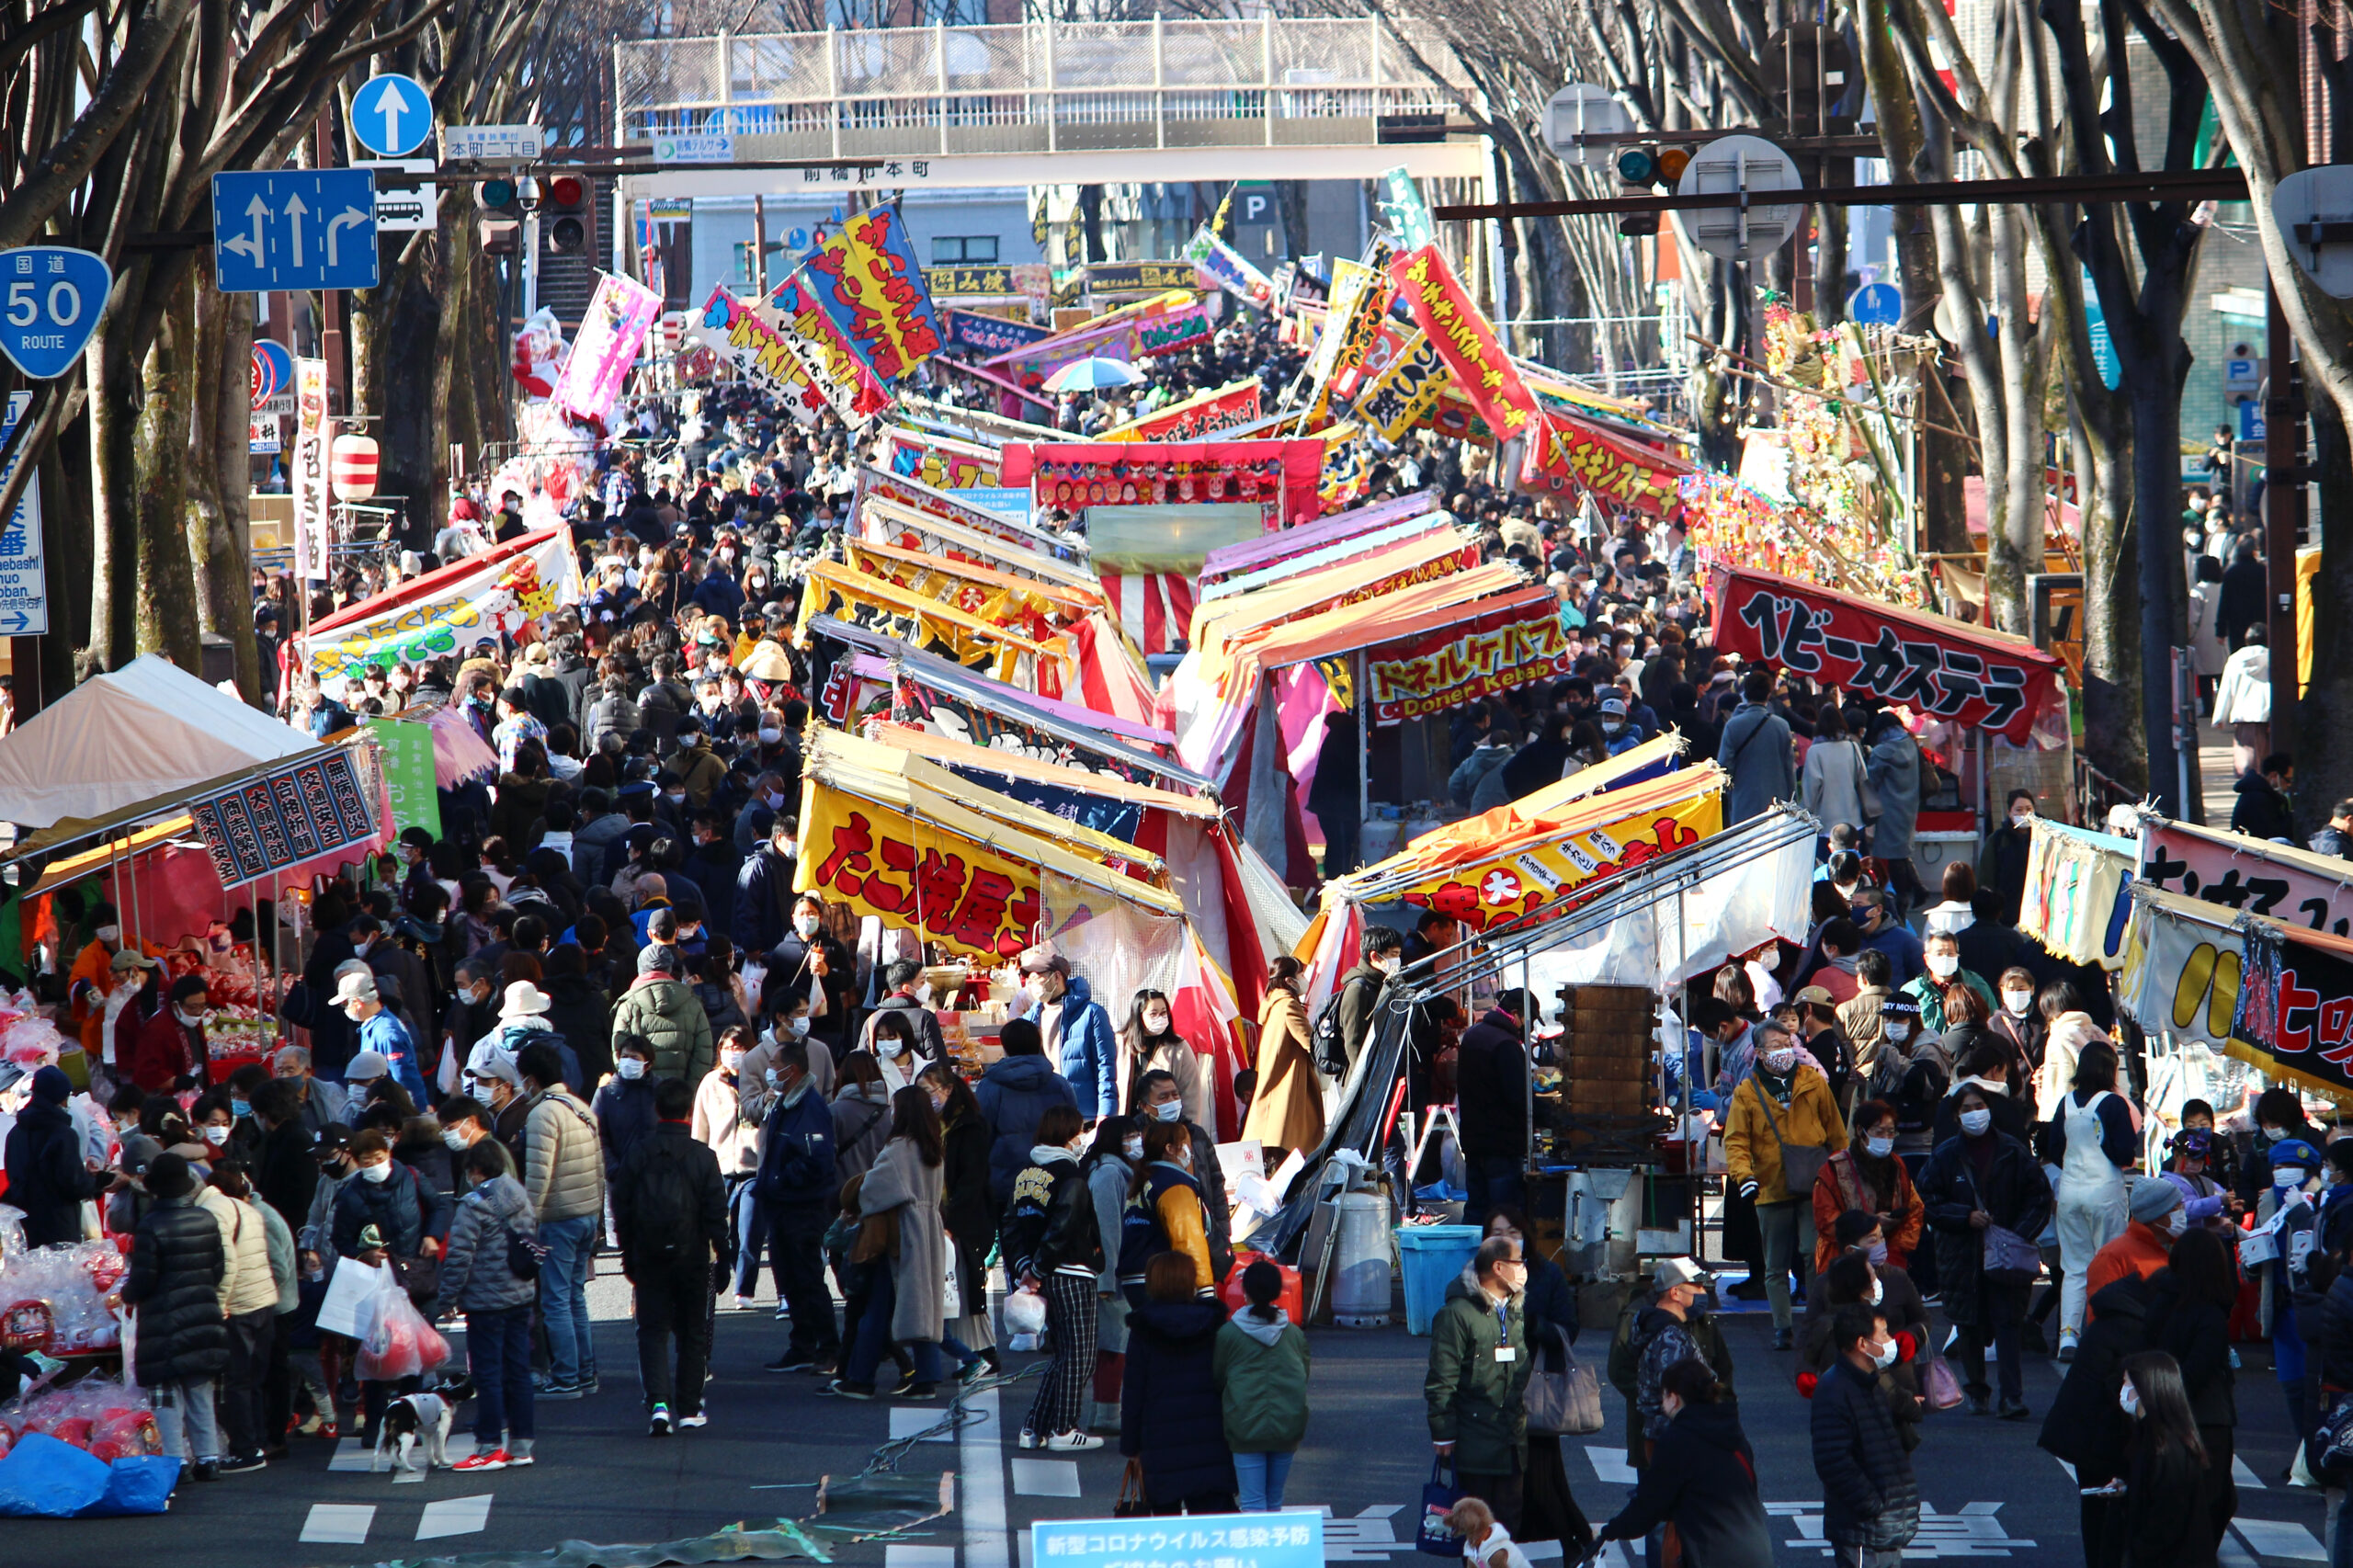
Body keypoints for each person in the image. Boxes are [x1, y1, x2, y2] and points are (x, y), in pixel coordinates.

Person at [1918, 1083, 2053, 1417]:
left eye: (1979, 1105)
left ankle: (2012, 1397)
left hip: (2007, 1252)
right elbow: (1927, 1200)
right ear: (1956, 1115)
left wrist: (2019, 1234)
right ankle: (1977, 1390)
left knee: (2008, 1322)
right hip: (1961, 1254)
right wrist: (1964, 1217)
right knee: (1969, 1324)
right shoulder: (1946, 1155)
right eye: (1966, 1108)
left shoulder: (2011, 1150)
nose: (1974, 1113)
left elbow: (2039, 1195)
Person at [612, 1075, 729, 1436]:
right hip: (692, 1255)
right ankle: (690, 1406)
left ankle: (659, 1404)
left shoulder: (639, 1153)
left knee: (652, 1330)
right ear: (690, 1111)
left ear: (656, 1109)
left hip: (648, 1257)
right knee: (693, 1331)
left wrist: (627, 1252)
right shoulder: (703, 1157)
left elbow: (623, 1206)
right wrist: (722, 1256)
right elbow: (715, 1213)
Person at [1723, 1022, 1845, 1348]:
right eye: (1774, 1045)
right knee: (1774, 1264)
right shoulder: (1747, 1092)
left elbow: (1836, 1133)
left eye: (1786, 1042)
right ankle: (1783, 1327)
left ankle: (1815, 1320)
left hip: (1813, 1182)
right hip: (1769, 1185)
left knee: (1811, 1252)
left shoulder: (1813, 1083)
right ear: (1759, 1053)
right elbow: (1735, 1141)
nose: (1783, 1050)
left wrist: (1843, 1174)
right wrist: (1743, 1175)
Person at [1596, 1357, 1774, 1568]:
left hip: (1712, 1556)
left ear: (1673, 1398)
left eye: (1663, 1396)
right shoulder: (1732, 1433)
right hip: (1757, 1552)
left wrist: (1610, 1531)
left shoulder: (1677, 1441)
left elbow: (1648, 1507)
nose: (1662, 1404)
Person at [833, 1085, 949, 1399]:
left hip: (900, 1233)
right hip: (928, 1228)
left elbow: (873, 1190)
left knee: (877, 1306)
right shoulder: (931, 1146)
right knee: (923, 1307)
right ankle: (926, 1377)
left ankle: (861, 1378)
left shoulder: (899, 1148)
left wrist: (855, 1192)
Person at [120, 1153, 229, 1479]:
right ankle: (208, 1458)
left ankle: (175, 1461)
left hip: (162, 1320)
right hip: (202, 1314)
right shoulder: (207, 1219)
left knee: (165, 1394)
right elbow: (218, 1269)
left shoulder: (150, 1226)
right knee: (199, 1387)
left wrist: (126, 1295)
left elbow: (144, 1279)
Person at [1002, 1104, 1104, 1449]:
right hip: (1071, 1271)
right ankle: (1063, 1428)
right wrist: (1040, 1268)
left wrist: (1025, 1268)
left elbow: (1011, 1225)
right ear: (1067, 1134)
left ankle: (1034, 1427)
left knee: (1062, 1354)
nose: (1082, 1138)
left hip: (1039, 1273)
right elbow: (1066, 1222)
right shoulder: (1070, 1174)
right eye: (1079, 1131)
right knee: (1081, 1354)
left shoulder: (1024, 1173)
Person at [434, 1138, 540, 1471]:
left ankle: (489, 1445)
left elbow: (459, 1256)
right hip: (520, 1295)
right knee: (518, 1371)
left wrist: (448, 1298)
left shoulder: (474, 1204)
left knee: (488, 1374)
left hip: (485, 1302)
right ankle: (521, 1446)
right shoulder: (520, 1194)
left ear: (476, 1170)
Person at [1485, 1209, 1588, 1548]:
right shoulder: (1474, 1278)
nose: (1505, 1238)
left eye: (1512, 1230)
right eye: (1496, 1232)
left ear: (1525, 1235)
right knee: (1497, 1483)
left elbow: (1568, 1329)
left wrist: (1532, 1324)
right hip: (1487, 1396)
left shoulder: (1546, 1275)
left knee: (1542, 1476)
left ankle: (1573, 1539)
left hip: (1534, 1391)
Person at [517, 1040, 605, 1400]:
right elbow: (599, 1168)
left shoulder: (542, 1114)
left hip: (558, 1218)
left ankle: (566, 1376)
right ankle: (584, 1372)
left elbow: (539, 1175)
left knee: (555, 1301)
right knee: (574, 1298)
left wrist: (528, 1221)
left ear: (532, 1079)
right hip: (586, 1214)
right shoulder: (581, 1107)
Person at [2143, 1228, 2240, 1552]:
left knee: (2168, 1513)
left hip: (2157, 1417)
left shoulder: (2159, 1300)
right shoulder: (2210, 1314)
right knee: (2208, 1510)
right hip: (2205, 1421)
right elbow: (2198, 1371)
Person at [1427, 1235, 1532, 1529]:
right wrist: (1442, 1431)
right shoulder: (1457, 1314)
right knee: (1476, 1528)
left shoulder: (1515, 1308)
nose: (1524, 1268)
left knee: (1509, 1523)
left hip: (1512, 1439)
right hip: (1473, 1441)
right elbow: (1441, 1377)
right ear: (1499, 1268)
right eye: (1518, 1262)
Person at [1121, 1250, 1235, 1515]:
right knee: (1212, 1522)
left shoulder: (1143, 1328)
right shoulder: (1213, 1324)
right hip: (1210, 1436)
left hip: (1160, 1442)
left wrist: (1131, 1444)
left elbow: (1133, 1393)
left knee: (1166, 1529)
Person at [752, 1040, 841, 1374]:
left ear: (793, 1069)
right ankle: (802, 1345)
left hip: (803, 1206)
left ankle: (829, 1348)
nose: (770, 1069)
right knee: (789, 1278)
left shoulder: (810, 1107)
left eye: (775, 1063)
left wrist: (778, 1180)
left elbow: (817, 1159)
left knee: (807, 1278)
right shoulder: (785, 1103)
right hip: (782, 1204)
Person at [1811, 1301, 1921, 1568]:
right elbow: (1833, 1462)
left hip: (1883, 1529)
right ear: (1862, 1343)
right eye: (1883, 1334)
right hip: (1864, 1532)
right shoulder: (1835, 1389)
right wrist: (1874, 1504)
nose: (1890, 1341)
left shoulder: (1870, 1382)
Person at [2052, 1042, 2138, 1358]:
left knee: (2074, 1266)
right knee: (2110, 1260)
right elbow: (2125, 1151)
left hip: (2070, 1191)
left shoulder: (2066, 1103)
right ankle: (2104, 1329)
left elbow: (2053, 1147)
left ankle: (2068, 1337)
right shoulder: (2114, 1103)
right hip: (2105, 1191)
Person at [1214, 1257, 1309, 1512]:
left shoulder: (1228, 1334)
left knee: (1253, 1503)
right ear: (1278, 1292)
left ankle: (1256, 1551)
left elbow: (1218, 1378)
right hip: (1287, 1424)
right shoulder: (1293, 1334)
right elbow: (1303, 1375)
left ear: (1245, 1292)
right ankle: (1275, 1551)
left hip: (1244, 1426)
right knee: (1274, 1502)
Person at [2117, 1351, 2219, 1568]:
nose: (2123, 1391)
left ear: (2145, 1389)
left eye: (2126, 1383)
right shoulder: (2160, 1435)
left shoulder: (2164, 1446)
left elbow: (2167, 1516)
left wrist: (2139, 1552)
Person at [1813, 1101, 1925, 1275]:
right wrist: (1870, 1225)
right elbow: (1826, 1222)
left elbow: (1915, 1209)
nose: (1886, 1138)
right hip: (1843, 1263)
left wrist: (1895, 1249)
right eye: (1879, 1132)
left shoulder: (1897, 1164)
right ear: (1860, 1131)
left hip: (1890, 1258)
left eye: (1891, 1132)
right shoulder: (1834, 1169)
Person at [976, 1017, 1079, 1207]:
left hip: (1006, 1181)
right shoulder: (1060, 1084)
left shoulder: (990, 1086)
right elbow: (1073, 1131)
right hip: (1053, 1177)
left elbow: (981, 1136)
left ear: (1005, 1046)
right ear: (1038, 1043)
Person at [1012, 945, 1120, 1122]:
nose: (1032, 986)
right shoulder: (1029, 1020)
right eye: (1029, 981)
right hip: (1045, 1115)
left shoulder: (1092, 1014)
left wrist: (1105, 1114)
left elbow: (1105, 1067)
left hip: (1084, 1115)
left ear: (1056, 977)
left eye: (1037, 978)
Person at [1118, 1118, 1215, 1308]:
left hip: (1134, 1280)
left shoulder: (1144, 1180)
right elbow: (1187, 1238)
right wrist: (1205, 1290)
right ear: (1170, 1149)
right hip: (1164, 1281)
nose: (1190, 1150)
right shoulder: (1174, 1183)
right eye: (1185, 1144)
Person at [1458, 990, 1534, 1227]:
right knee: (1504, 1216)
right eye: (1527, 1021)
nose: (1528, 1029)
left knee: (1475, 1211)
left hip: (1474, 1142)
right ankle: (1499, 1261)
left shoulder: (1474, 1035)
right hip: (1501, 1146)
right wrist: (1552, 1116)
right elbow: (1519, 1097)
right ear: (1515, 1015)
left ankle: (1470, 1263)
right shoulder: (1506, 1045)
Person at [4, 1064, 101, 1246]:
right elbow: (73, 1185)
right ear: (58, 1098)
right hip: (59, 1228)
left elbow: (14, 1177)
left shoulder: (15, 1134)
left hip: (26, 1227)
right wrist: (95, 1181)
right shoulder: (63, 1134)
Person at [1243, 957, 1323, 1156]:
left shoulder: (1272, 1004)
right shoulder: (1288, 1005)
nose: (1304, 979)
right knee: (1288, 1148)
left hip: (1274, 1085)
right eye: (1300, 975)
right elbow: (1310, 1042)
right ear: (1289, 981)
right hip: (1286, 1088)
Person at [609, 944, 715, 1086]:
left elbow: (619, 1052)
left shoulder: (629, 1005)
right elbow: (703, 1053)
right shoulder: (692, 1002)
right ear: (669, 968)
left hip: (640, 1095)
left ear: (641, 968)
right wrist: (689, 1092)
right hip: (679, 1097)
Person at [2086, 1177, 2188, 1307]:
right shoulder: (2111, 1257)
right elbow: (2101, 1313)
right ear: (2154, 1216)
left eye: (2181, 1205)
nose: (2182, 1211)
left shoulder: (2183, 1248)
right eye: (2175, 1208)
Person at [1864, 714, 1924, 919]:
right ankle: (1917, 890)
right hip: (1909, 805)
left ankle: (1904, 897)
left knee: (1894, 855)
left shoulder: (1881, 752)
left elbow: (1871, 780)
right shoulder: (1911, 745)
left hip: (1888, 808)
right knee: (1901, 852)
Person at [1120, 989, 1206, 1128]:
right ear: (1139, 1016)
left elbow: (1191, 1096)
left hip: (1165, 1129)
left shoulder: (1179, 1048)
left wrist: (1188, 1131)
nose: (1160, 1018)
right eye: (1153, 1014)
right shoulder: (1120, 1045)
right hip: (1126, 1128)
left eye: (1163, 1013)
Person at [1717, 669, 1794, 824]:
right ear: (1768, 694)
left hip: (1743, 803)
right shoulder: (1782, 726)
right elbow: (1789, 770)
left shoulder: (1733, 726)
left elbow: (1724, 768)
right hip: (1777, 805)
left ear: (1745, 693)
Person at [1308, 710, 1362, 876]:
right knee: (1341, 848)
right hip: (1335, 804)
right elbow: (1353, 766)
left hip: (1328, 802)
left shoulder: (1341, 732)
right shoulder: (1347, 734)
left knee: (1336, 846)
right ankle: (1338, 885)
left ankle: (1333, 883)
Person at [2212, 626, 2272, 777]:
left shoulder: (2235, 660)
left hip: (2244, 716)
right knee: (2268, 764)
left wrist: (2220, 717)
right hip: (2268, 716)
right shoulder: (2274, 657)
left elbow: (2226, 689)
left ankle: (2250, 792)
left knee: (2246, 765)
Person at [1979, 791, 2040, 926]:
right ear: (2009, 812)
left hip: (2038, 913)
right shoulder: (1997, 840)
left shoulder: (2044, 839)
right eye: (2019, 810)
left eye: (2029, 809)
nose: (2025, 814)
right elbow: (1986, 879)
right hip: (2006, 915)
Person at [2231, 750, 2297, 844]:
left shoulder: (2262, 793)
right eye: (2288, 780)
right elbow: (2272, 834)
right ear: (2274, 775)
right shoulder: (2256, 798)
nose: (2289, 784)